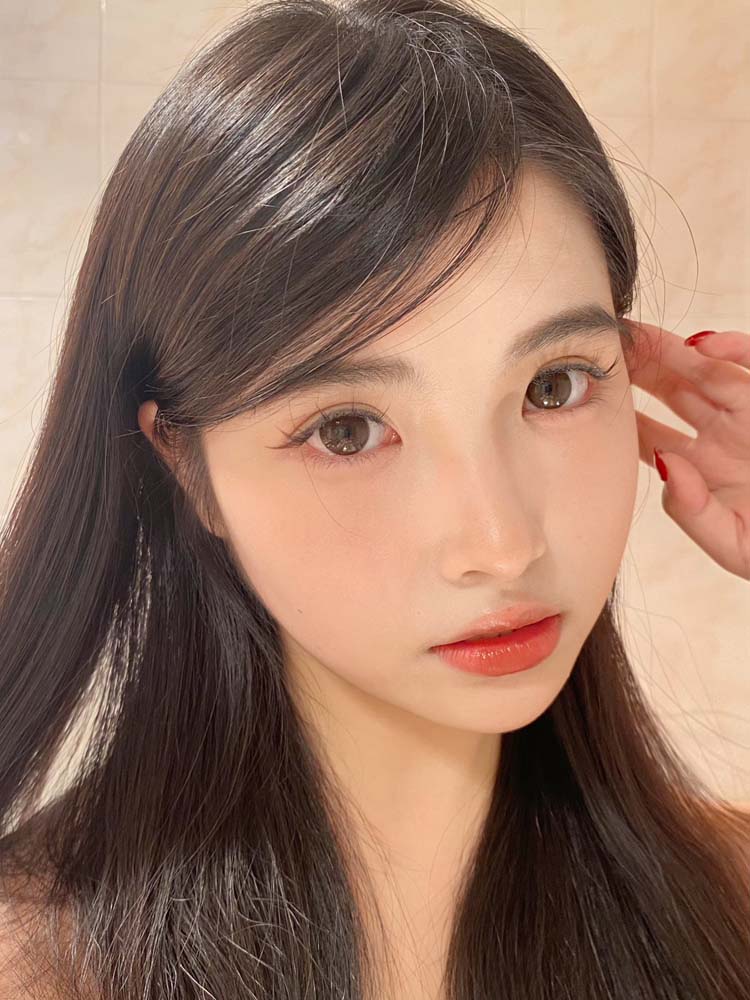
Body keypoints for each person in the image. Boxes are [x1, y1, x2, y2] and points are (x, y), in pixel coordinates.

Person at [0, 0, 748, 997]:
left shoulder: (729, 900)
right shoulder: (37, 965)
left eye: (554, 385)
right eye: (348, 430)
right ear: (184, 464)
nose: (502, 543)